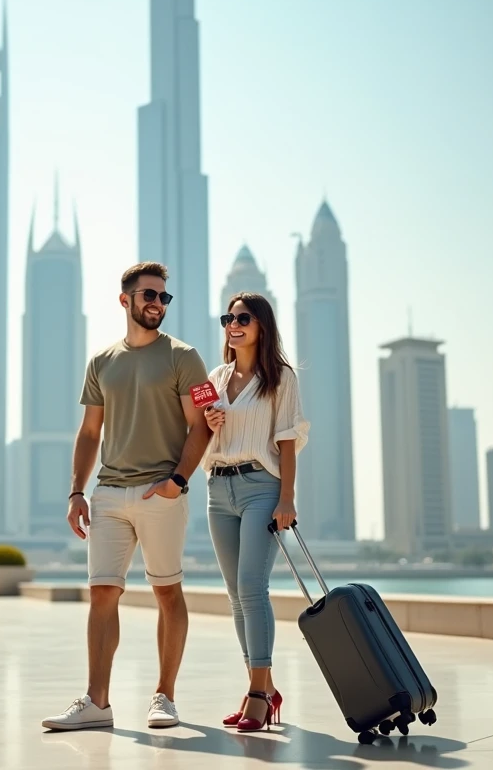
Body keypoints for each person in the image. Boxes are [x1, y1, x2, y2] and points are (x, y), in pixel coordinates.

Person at [41, 261, 212, 732]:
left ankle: (165, 697)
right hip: (109, 493)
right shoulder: (101, 361)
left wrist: (177, 482)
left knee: (167, 591)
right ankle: (97, 702)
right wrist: (76, 491)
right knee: (102, 593)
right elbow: (89, 432)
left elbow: (202, 425)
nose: (157, 303)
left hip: (162, 492)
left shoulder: (185, 357)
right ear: (125, 300)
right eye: (148, 295)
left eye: (163, 297)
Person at [202, 292, 309, 732]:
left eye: (243, 318)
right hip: (218, 488)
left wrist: (287, 497)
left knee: (252, 587)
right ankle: (260, 687)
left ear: (262, 325)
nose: (233, 324)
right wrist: (207, 426)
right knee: (235, 594)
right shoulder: (214, 377)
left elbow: (287, 441)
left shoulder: (280, 377)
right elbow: (199, 437)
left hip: (261, 488)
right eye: (228, 318)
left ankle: (259, 694)